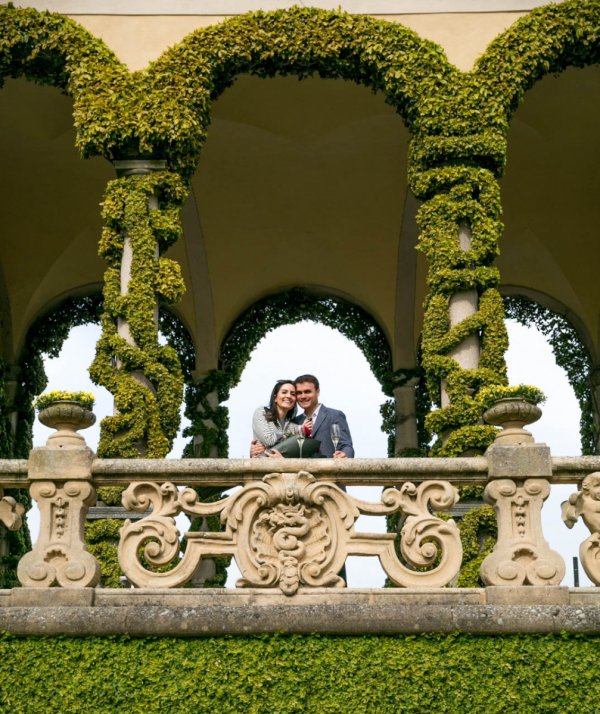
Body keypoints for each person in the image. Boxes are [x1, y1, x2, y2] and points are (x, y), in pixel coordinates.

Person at [252, 374, 354, 459]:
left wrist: (345, 454)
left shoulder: (334, 415)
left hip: (327, 477)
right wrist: (255, 450)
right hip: (298, 480)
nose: (303, 396)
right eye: (299, 393)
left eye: (307, 392)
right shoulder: (294, 422)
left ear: (317, 392)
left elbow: (346, 445)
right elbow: (282, 449)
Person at [251, 379, 300, 457]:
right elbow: (269, 440)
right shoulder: (262, 413)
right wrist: (287, 437)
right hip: (262, 467)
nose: (289, 396)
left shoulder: (294, 426)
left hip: (284, 467)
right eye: (284, 392)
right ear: (275, 398)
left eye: (293, 394)